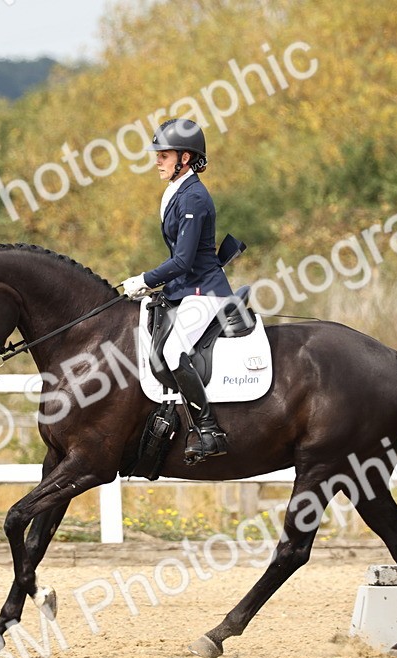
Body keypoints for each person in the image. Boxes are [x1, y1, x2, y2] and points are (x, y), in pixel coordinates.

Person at [121, 118, 231, 464]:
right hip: (186, 288)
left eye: (164, 155)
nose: (158, 161)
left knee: (172, 352)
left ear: (185, 158)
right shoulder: (177, 191)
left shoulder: (194, 197)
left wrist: (144, 280)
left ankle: (208, 430)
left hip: (205, 291)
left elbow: (182, 260)